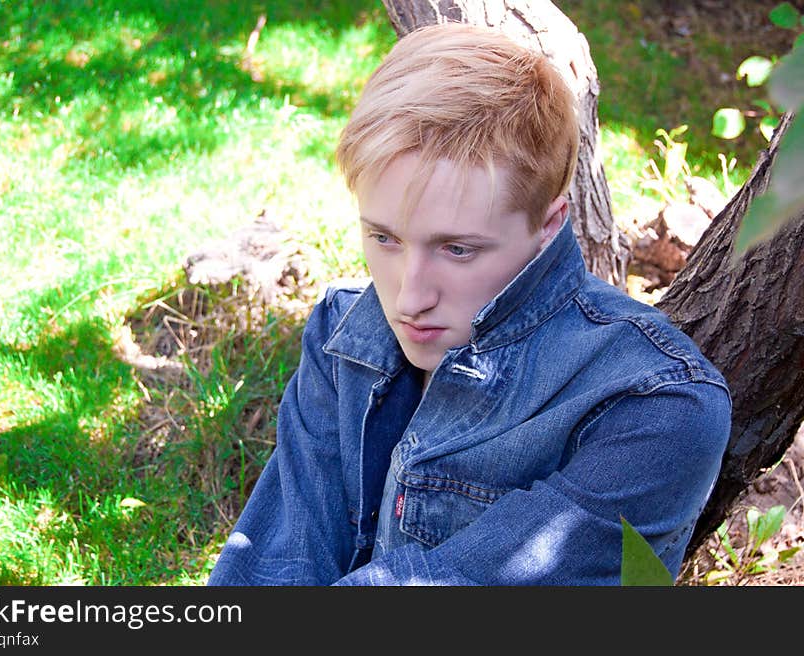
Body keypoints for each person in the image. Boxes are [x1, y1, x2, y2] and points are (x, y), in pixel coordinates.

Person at [206, 22, 731, 586]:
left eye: (457, 249)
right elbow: (273, 565)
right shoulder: (345, 335)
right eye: (384, 238)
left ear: (550, 225)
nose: (408, 298)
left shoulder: (656, 405)